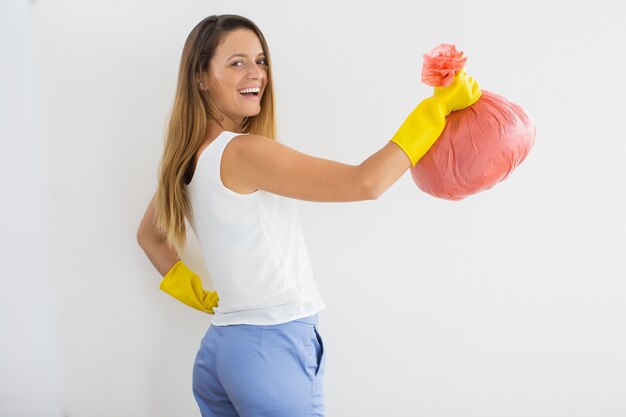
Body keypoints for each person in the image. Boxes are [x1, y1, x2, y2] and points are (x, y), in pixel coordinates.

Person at [136, 13, 480, 417]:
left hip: (220, 352)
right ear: (200, 77)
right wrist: (434, 111)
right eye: (236, 62)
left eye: (261, 61)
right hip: (271, 350)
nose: (256, 74)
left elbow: (149, 236)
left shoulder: (185, 160)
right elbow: (364, 183)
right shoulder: (243, 151)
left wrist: (203, 296)